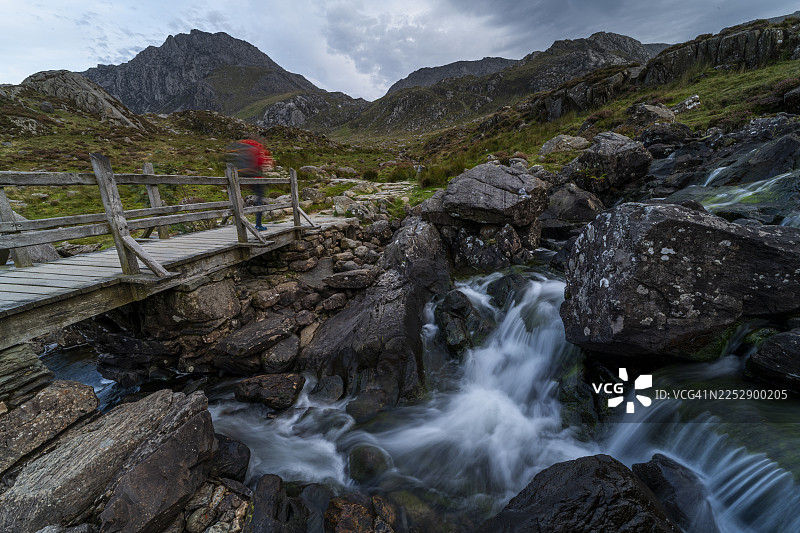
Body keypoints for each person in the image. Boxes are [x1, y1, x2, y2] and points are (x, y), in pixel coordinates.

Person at [227, 139, 275, 230]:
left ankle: (238, 223)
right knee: (259, 200)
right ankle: (258, 224)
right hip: (256, 178)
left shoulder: (248, 148)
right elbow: (261, 163)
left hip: (245, 176)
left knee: (236, 197)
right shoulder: (258, 150)